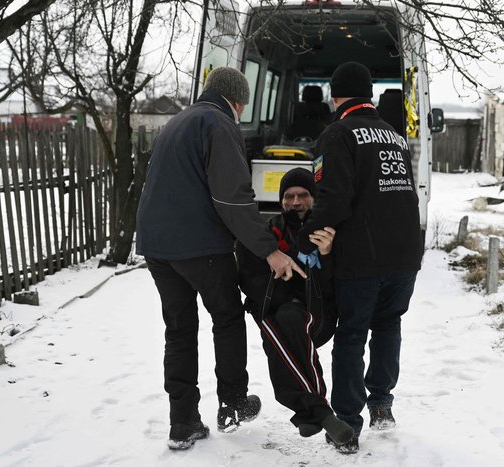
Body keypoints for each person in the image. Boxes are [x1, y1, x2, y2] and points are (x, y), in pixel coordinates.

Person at [136, 67, 305, 450]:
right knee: (227, 318)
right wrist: (269, 250)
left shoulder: (178, 121)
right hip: (200, 245)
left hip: (158, 245)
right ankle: (232, 403)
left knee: (178, 330)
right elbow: (232, 199)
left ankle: (183, 422)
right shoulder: (218, 123)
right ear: (239, 100)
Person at [297, 62, 423, 454]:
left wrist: (303, 242)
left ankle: (348, 423)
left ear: (335, 96)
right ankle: (381, 404)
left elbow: (333, 197)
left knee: (352, 334)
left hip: (362, 256)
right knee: (388, 325)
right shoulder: (394, 134)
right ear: (369, 94)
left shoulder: (337, 133)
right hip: (405, 253)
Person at [236, 168, 354, 446]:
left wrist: (326, 256)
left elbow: (336, 287)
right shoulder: (268, 231)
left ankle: (310, 411)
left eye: (303, 195)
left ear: (314, 198)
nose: (296, 202)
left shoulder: (329, 231)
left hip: (319, 314)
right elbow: (249, 275)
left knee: (282, 324)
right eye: (289, 196)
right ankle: (317, 413)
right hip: (274, 309)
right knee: (278, 327)